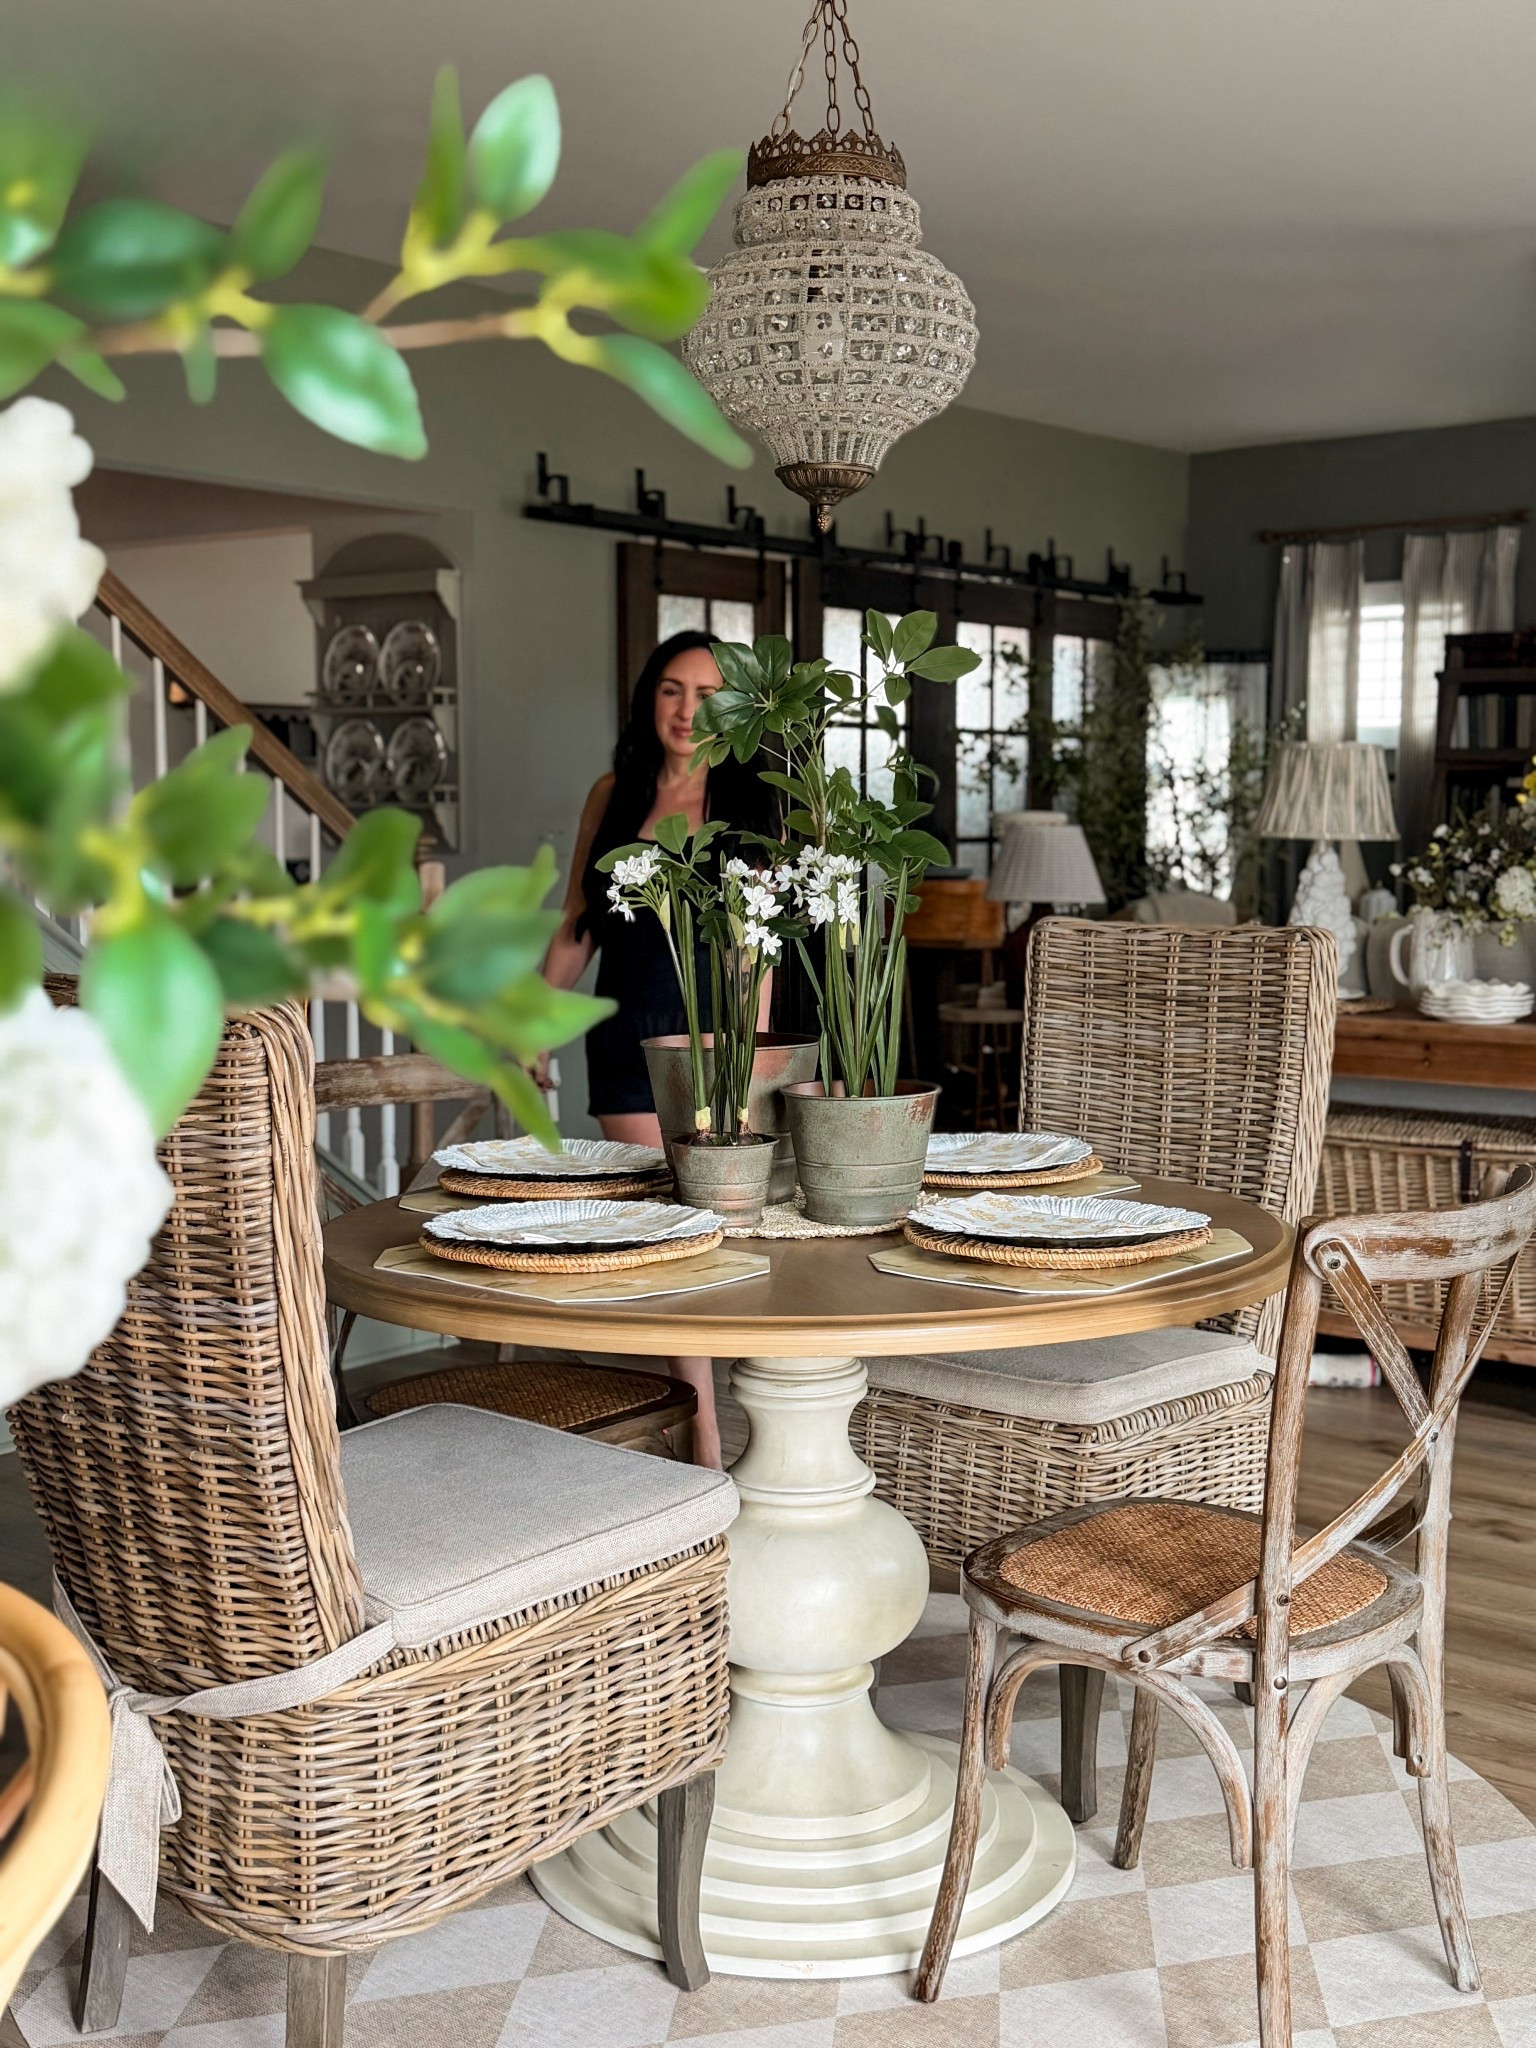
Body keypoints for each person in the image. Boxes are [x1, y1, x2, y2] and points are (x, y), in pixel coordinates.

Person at [540, 630, 779, 1466]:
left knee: (707, 1231)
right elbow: (580, 922)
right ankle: (705, 1434)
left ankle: (732, 1416)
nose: (687, 709)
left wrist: (747, 1065)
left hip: (711, 1041)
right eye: (673, 689)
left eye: (708, 693)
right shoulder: (614, 792)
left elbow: (757, 950)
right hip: (621, 1033)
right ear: (651, 697)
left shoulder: (746, 803)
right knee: (662, 1236)